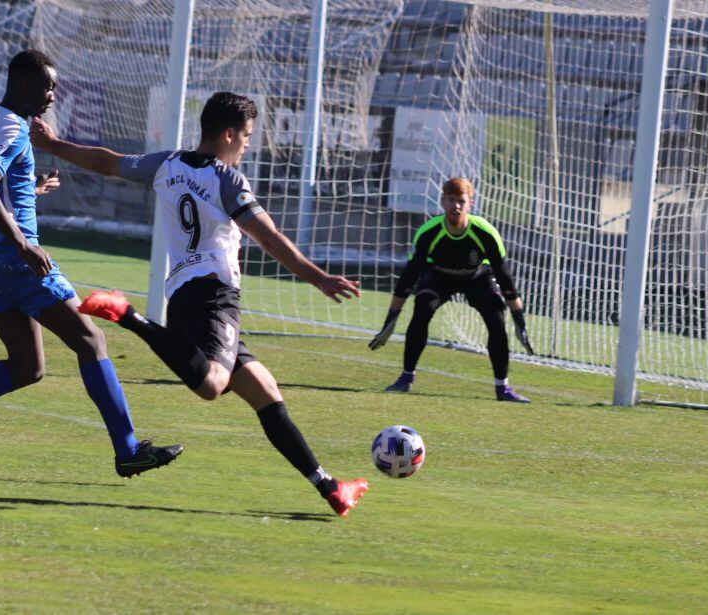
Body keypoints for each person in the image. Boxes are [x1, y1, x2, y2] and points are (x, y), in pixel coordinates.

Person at [29, 91, 369, 517]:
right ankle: (128, 314)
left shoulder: (165, 164)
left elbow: (107, 161)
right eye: (245, 135)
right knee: (211, 384)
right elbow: (269, 236)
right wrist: (317, 277)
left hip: (188, 296)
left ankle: (331, 488)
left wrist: (52, 145)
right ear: (227, 134)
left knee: (265, 390)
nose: (247, 143)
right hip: (214, 297)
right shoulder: (228, 180)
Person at [0, 50, 183, 478]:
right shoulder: (13, 128)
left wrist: (26, 189)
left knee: (27, 366)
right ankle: (128, 450)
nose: (53, 94)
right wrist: (23, 244)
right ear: (21, 84)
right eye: (48, 85)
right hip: (12, 258)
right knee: (90, 341)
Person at [368, 177, 533, 403]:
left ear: (470, 204)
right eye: (451, 200)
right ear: (443, 202)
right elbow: (408, 277)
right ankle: (405, 379)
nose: (456, 205)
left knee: (496, 315)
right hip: (438, 277)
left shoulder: (485, 233)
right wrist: (391, 319)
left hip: (476, 277)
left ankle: (502, 388)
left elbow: (506, 280)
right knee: (422, 308)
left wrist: (519, 321)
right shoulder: (428, 232)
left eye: (461, 201)